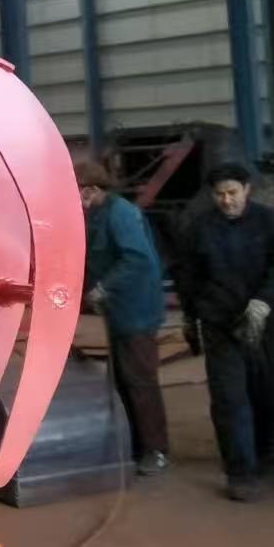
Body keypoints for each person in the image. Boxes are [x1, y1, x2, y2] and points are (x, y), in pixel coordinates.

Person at [176, 161, 274, 501]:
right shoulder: (200, 228)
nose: (226, 200)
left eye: (232, 193)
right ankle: (240, 472)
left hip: (266, 323)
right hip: (221, 325)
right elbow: (188, 276)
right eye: (220, 194)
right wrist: (191, 316)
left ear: (247, 190)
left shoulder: (270, 223)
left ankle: (264, 452)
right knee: (230, 399)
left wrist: (265, 301)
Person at [76, 161, 170, 476]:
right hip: (118, 311)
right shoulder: (97, 213)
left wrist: (104, 287)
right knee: (124, 382)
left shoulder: (121, 214)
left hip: (137, 311)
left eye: (76, 192)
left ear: (91, 190)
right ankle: (135, 445)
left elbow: (137, 258)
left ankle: (156, 450)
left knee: (140, 381)